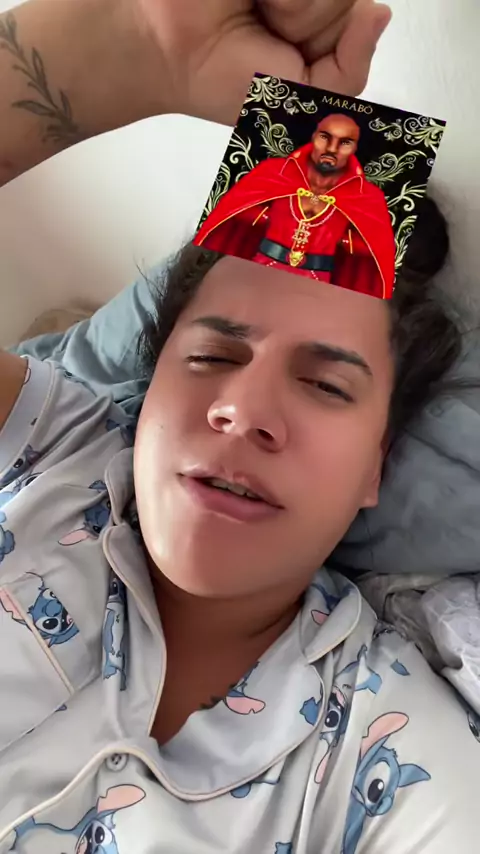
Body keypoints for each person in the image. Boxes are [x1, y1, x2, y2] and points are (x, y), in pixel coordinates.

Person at [1, 2, 479, 853]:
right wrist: (131, 46)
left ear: (376, 466)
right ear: (149, 386)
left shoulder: (394, 760)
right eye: (212, 356)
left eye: (326, 385)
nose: (245, 411)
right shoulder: (45, 447)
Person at [195, 114, 397, 299]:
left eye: (344, 142)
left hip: (318, 282)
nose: (332, 149)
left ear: (354, 148)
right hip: (260, 267)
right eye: (325, 137)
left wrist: (342, 240)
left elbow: (379, 249)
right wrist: (269, 217)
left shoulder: (367, 195)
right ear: (314, 136)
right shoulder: (275, 171)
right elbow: (231, 210)